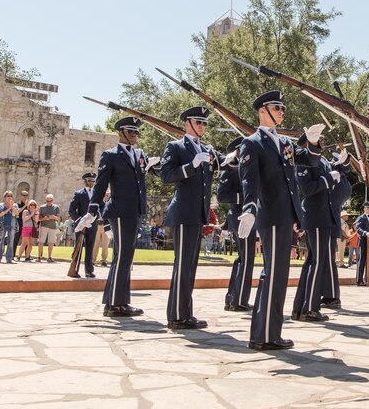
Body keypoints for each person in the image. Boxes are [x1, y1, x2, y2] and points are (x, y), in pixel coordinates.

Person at [238, 90, 323, 350]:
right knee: (273, 274)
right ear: (262, 110)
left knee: (277, 275)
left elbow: (309, 161)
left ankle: (268, 333)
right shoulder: (251, 143)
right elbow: (249, 180)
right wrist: (250, 209)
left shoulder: (285, 142)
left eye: (283, 108)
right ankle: (265, 335)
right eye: (277, 107)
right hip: (271, 213)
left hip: (286, 215)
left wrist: (314, 142)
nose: (282, 111)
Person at [160, 106, 224, 330]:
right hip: (183, 214)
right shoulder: (176, 147)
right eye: (199, 122)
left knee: (190, 266)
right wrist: (192, 165)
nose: (202, 127)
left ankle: (185, 313)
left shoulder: (206, 149)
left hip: (197, 215)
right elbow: (165, 174)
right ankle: (177, 316)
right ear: (187, 123)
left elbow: (225, 162)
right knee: (183, 265)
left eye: (205, 123)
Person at [91, 116, 155, 319]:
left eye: (137, 132)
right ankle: (116, 304)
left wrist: (156, 164)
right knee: (123, 256)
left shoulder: (139, 154)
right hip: (119, 210)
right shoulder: (110, 155)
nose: (135, 135)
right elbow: (101, 184)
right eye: (131, 132)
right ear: (121, 133)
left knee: (125, 257)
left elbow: (150, 174)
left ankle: (114, 302)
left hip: (134, 210)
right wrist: (93, 209)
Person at [292, 138, 352, 322]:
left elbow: (341, 171)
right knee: (317, 263)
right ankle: (309, 308)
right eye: (316, 142)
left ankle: (302, 307)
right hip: (316, 216)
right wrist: (327, 179)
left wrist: (345, 162)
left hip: (325, 217)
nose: (321, 144)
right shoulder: (303, 164)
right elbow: (307, 189)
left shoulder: (323, 162)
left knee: (314, 262)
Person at [218, 136, 254, 312]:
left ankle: (234, 298)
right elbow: (221, 195)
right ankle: (238, 300)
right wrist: (246, 198)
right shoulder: (230, 170)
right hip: (239, 216)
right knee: (246, 258)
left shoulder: (248, 167)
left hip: (248, 217)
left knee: (245, 258)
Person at [68, 172, 99, 274]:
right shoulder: (79, 194)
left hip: (92, 224)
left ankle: (89, 270)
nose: (92, 183)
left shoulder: (96, 194)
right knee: (78, 247)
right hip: (81, 224)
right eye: (90, 181)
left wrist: (95, 218)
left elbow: (100, 208)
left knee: (90, 247)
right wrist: (80, 221)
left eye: (93, 181)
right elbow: (71, 210)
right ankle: (75, 269)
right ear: (85, 181)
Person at [36, 195, 61, 264]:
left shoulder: (56, 207)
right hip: (43, 226)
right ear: (45, 200)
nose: (49, 202)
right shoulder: (42, 207)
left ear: (53, 200)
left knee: (51, 243)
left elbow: (59, 219)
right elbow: (39, 219)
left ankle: (49, 257)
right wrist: (44, 218)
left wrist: (54, 217)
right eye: (47, 201)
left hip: (53, 227)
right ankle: (39, 257)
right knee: (41, 242)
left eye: (50, 201)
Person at [0, 191, 19, 263]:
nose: (10, 197)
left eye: (11, 196)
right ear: (5, 197)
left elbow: (17, 214)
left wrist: (12, 207)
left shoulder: (15, 205)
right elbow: (0, 214)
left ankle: (9, 258)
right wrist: (9, 208)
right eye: (8, 196)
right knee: (0, 241)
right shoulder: (1, 205)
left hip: (12, 224)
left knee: (11, 241)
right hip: (3, 224)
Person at [354, 203, 369, 286]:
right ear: (364, 209)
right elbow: (358, 228)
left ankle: (367, 279)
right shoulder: (361, 218)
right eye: (367, 208)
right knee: (362, 260)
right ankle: (359, 280)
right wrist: (366, 233)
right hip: (363, 241)